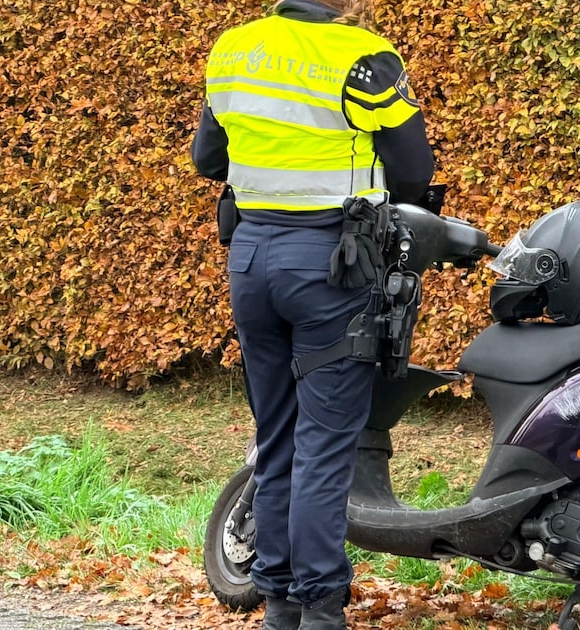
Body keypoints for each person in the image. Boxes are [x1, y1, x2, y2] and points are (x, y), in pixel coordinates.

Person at [191, 0, 434, 628]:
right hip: (331, 265)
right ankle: (321, 609)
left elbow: (208, 160)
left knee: (277, 439)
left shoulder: (233, 49)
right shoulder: (361, 56)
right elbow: (414, 172)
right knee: (324, 447)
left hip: (251, 258)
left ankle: (278, 605)